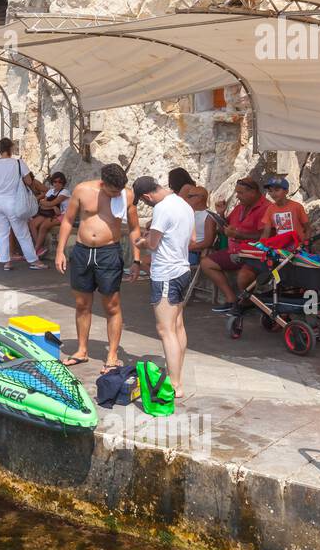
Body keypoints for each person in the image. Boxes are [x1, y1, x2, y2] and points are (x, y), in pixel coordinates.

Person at [55, 163, 141, 368]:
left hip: (108, 252)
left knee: (112, 305)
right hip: (83, 251)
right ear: (103, 183)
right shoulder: (83, 190)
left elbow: (134, 228)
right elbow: (67, 220)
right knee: (81, 304)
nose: (116, 195)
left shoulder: (126, 196)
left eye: (119, 191)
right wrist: (60, 251)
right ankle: (82, 349)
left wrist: (136, 260)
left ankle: (112, 355)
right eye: (112, 191)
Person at [132, 176, 196, 397]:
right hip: (183, 269)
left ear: (147, 196)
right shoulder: (183, 204)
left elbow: (152, 244)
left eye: (143, 201)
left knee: (165, 329)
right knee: (177, 326)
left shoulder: (162, 208)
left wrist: (141, 242)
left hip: (166, 273)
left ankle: (175, 384)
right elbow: (192, 238)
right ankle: (175, 375)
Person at [200, 177, 271, 312]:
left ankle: (244, 303)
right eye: (237, 193)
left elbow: (265, 235)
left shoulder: (266, 208)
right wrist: (221, 214)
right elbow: (227, 227)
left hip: (253, 254)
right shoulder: (240, 207)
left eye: (241, 193)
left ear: (253, 192)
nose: (237, 197)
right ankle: (231, 299)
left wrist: (239, 236)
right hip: (235, 251)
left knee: (243, 277)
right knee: (206, 263)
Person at [0, 137, 47, 271]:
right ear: (10, 149)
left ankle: (6, 262)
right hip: (12, 201)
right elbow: (29, 181)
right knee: (22, 233)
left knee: (1, 233)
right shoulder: (18, 163)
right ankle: (34, 260)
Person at [29, 172, 70, 257]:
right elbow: (42, 204)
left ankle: (35, 250)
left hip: (64, 215)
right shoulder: (51, 191)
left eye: (60, 182)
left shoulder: (65, 192)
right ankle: (39, 248)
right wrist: (52, 207)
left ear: (63, 183)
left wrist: (49, 204)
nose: (57, 184)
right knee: (32, 224)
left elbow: (50, 203)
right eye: (55, 181)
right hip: (51, 213)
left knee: (44, 226)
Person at [260, 177, 307, 247]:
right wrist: (260, 245)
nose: (273, 193)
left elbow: (307, 228)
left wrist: (305, 244)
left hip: (298, 246)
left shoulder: (297, 207)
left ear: (286, 191)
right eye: (270, 191)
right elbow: (266, 232)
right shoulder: (270, 209)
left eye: (277, 190)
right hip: (281, 246)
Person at [183, 185, 217, 266]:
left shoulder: (208, 216)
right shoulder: (190, 213)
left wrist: (185, 248)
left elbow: (207, 242)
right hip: (185, 250)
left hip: (194, 252)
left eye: (189, 196)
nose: (186, 199)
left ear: (200, 198)